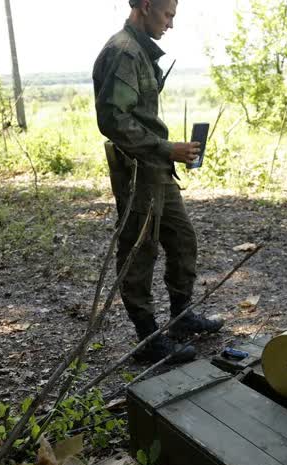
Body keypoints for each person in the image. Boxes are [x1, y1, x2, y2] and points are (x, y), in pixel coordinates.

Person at [93, 0, 221, 364]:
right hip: (138, 172)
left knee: (182, 239)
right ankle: (148, 340)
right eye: (168, 15)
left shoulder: (139, 50)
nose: (170, 24)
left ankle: (181, 319)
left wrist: (165, 152)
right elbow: (113, 120)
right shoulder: (123, 52)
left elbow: (137, 116)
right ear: (146, 6)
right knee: (140, 249)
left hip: (156, 167)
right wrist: (166, 147)